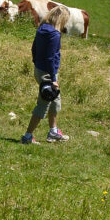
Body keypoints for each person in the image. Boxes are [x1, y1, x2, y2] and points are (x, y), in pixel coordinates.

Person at [20, 14, 67, 144]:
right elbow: (51, 58)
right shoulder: (55, 34)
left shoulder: (41, 29)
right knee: (44, 103)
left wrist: (36, 63)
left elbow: (34, 48)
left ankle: (53, 131)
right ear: (61, 19)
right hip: (48, 73)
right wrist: (53, 78)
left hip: (40, 70)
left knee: (55, 100)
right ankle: (27, 136)